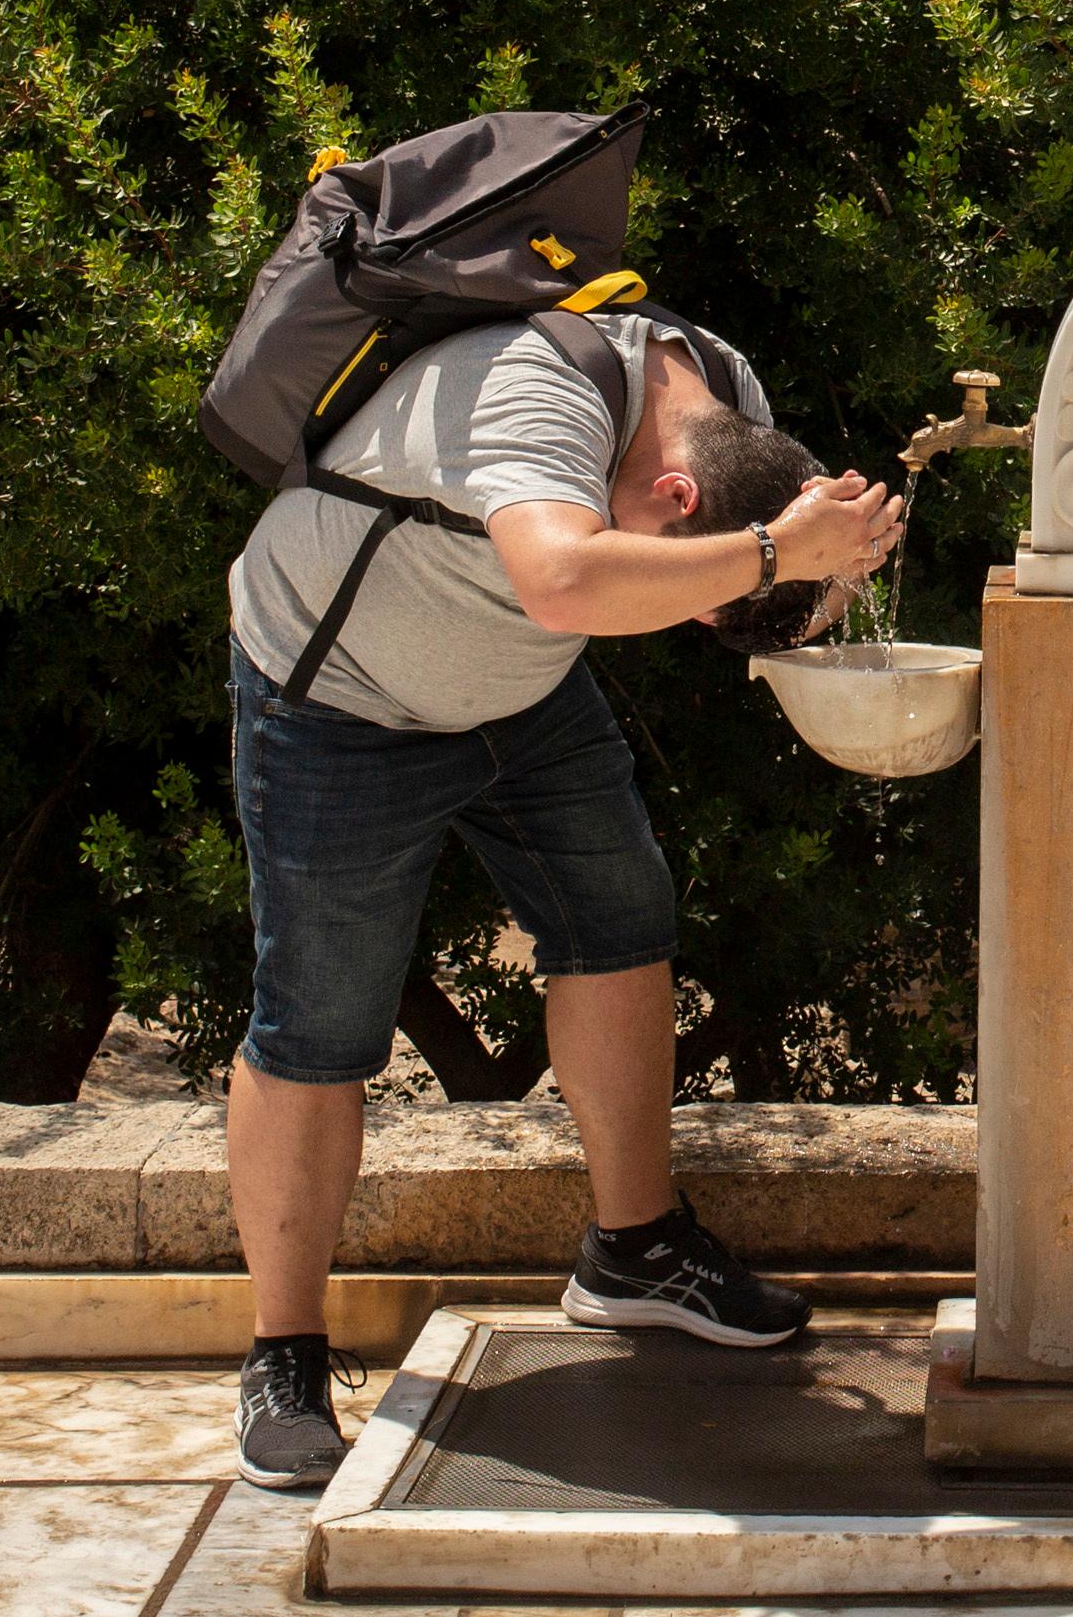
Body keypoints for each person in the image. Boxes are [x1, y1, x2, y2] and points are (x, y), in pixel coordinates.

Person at [222, 299, 903, 1491]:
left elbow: (722, 549)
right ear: (683, 505)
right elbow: (566, 580)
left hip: (521, 694)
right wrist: (772, 559)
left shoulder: (723, 391)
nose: (684, 624)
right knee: (321, 1018)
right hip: (345, 693)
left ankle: (634, 1253)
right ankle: (283, 1353)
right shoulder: (530, 393)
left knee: (620, 922)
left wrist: (816, 573)